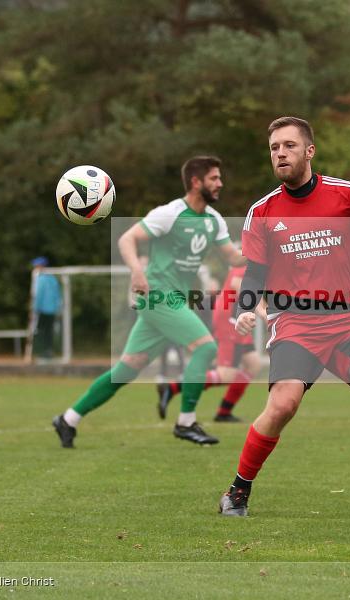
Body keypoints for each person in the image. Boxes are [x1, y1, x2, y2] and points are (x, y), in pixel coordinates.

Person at [218, 116, 350, 518]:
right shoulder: (262, 211)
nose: (280, 154)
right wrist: (245, 308)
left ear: (309, 151)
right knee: (283, 406)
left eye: (289, 145)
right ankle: (237, 492)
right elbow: (255, 273)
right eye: (274, 148)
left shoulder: (346, 195)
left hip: (348, 321)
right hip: (295, 324)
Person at [52, 156, 245, 448]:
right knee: (206, 348)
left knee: (126, 370)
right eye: (214, 178)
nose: (220, 183)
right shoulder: (169, 214)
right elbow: (126, 240)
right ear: (196, 182)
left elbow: (233, 257)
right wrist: (137, 271)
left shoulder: (213, 220)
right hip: (158, 296)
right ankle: (186, 423)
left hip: (174, 300)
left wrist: (269, 251)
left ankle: (68, 419)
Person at [156, 264, 264, 423]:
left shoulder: (260, 259)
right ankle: (173, 388)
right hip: (230, 320)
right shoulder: (252, 258)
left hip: (237, 317)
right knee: (225, 375)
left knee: (253, 364)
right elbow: (237, 284)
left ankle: (224, 412)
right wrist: (263, 306)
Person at [31, 257, 62, 360]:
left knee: (41, 331)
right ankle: (48, 351)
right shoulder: (53, 279)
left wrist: (34, 308)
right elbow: (58, 295)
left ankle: (43, 352)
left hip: (42, 310)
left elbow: (38, 295)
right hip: (53, 310)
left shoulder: (40, 279)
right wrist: (58, 308)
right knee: (49, 331)